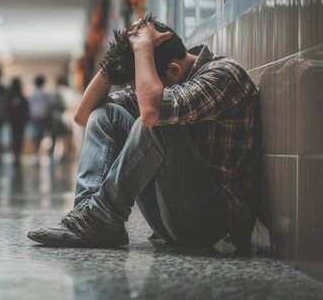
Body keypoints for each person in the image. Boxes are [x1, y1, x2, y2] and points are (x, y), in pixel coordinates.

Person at [27, 15, 259, 252]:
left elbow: (151, 113)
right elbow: (84, 116)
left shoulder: (224, 75)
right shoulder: (168, 77)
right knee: (106, 114)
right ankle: (87, 220)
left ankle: (99, 220)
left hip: (205, 223)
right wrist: (120, 55)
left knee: (154, 120)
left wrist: (144, 47)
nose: (140, 92)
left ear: (173, 69)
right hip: (165, 218)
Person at [27, 75, 51, 162]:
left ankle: (35, 154)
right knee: (41, 136)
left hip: (33, 117)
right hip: (43, 117)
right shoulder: (45, 94)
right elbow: (48, 106)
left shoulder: (31, 94)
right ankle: (39, 153)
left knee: (34, 136)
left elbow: (28, 106)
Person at [6, 78, 29, 167]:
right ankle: (18, 155)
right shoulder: (22, 97)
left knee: (14, 137)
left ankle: (15, 155)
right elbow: (26, 110)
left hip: (13, 121)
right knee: (19, 138)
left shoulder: (9, 97)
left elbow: (7, 110)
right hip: (21, 121)